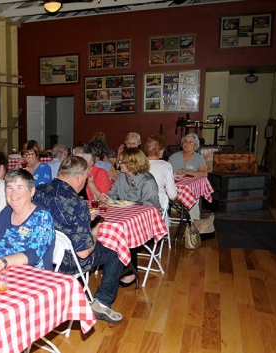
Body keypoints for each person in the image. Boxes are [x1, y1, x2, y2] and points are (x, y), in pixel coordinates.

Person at [33, 157, 124, 324]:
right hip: (65, 260)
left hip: (38, 254)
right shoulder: (76, 203)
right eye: (87, 178)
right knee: (118, 249)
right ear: (78, 178)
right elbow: (83, 253)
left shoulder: (38, 191)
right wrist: (94, 233)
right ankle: (102, 302)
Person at [100, 148, 160, 287]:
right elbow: (113, 194)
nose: (119, 163)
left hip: (144, 221)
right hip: (123, 216)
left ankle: (130, 272)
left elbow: (150, 208)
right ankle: (114, 266)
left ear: (132, 163)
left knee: (126, 232)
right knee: (108, 229)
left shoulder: (147, 181)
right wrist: (106, 197)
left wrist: (129, 206)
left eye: (122, 161)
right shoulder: (122, 176)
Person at [168, 133, 207, 220]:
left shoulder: (198, 158)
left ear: (195, 146)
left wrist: (187, 172)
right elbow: (166, 171)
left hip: (191, 190)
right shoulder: (174, 157)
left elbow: (204, 173)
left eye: (190, 142)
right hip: (173, 189)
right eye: (185, 141)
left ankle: (195, 224)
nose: (187, 144)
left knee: (193, 199)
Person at [145, 135, 177, 215]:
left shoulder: (137, 164)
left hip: (139, 206)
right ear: (160, 150)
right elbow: (172, 196)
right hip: (158, 206)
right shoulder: (166, 166)